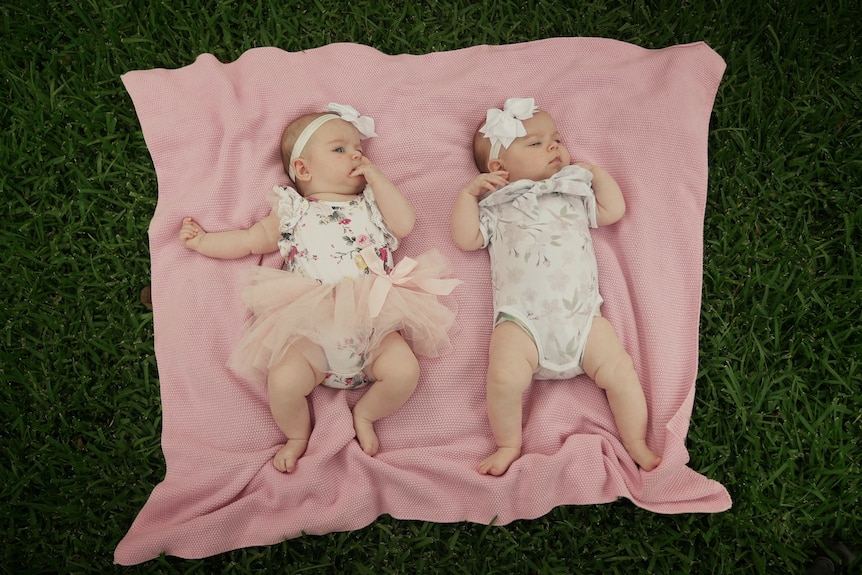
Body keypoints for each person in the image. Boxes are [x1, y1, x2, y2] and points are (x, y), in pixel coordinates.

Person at [181, 103, 460, 473]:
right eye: (340, 148)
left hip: (372, 325)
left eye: (359, 148)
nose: (357, 154)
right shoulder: (292, 210)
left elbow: (405, 223)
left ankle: (366, 413)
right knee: (283, 381)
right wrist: (205, 242)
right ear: (302, 168)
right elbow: (250, 240)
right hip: (311, 330)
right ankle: (298, 435)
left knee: (405, 370)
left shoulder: (372, 206)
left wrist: (378, 179)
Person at [450, 97, 661, 475]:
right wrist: (469, 196)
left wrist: (596, 174)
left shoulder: (572, 193)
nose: (554, 147)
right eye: (536, 143)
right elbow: (466, 239)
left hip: (582, 318)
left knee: (620, 371)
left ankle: (636, 442)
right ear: (498, 168)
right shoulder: (495, 207)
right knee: (503, 377)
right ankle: (508, 443)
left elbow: (613, 211)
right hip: (522, 322)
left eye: (557, 139)